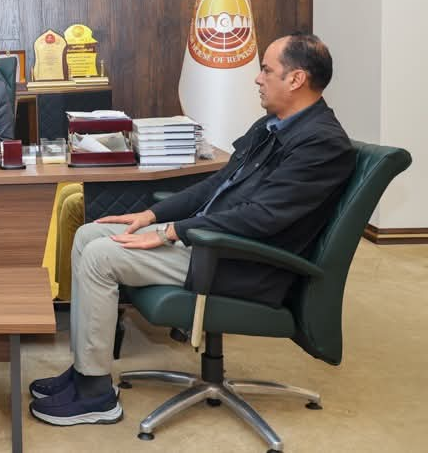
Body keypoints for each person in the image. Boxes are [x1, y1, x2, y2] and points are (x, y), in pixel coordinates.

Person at [28, 33, 355, 426]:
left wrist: (171, 233)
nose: (257, 78)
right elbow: (216, 185)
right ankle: (86, 369)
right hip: (213, 241)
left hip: (244, 261)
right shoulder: (274, 126)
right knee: (88, 235)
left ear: (296, 79)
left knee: (100, 257)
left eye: (267, 70)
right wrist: (150, 215)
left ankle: (95, 395)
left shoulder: (321, 144)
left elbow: (262, 218)